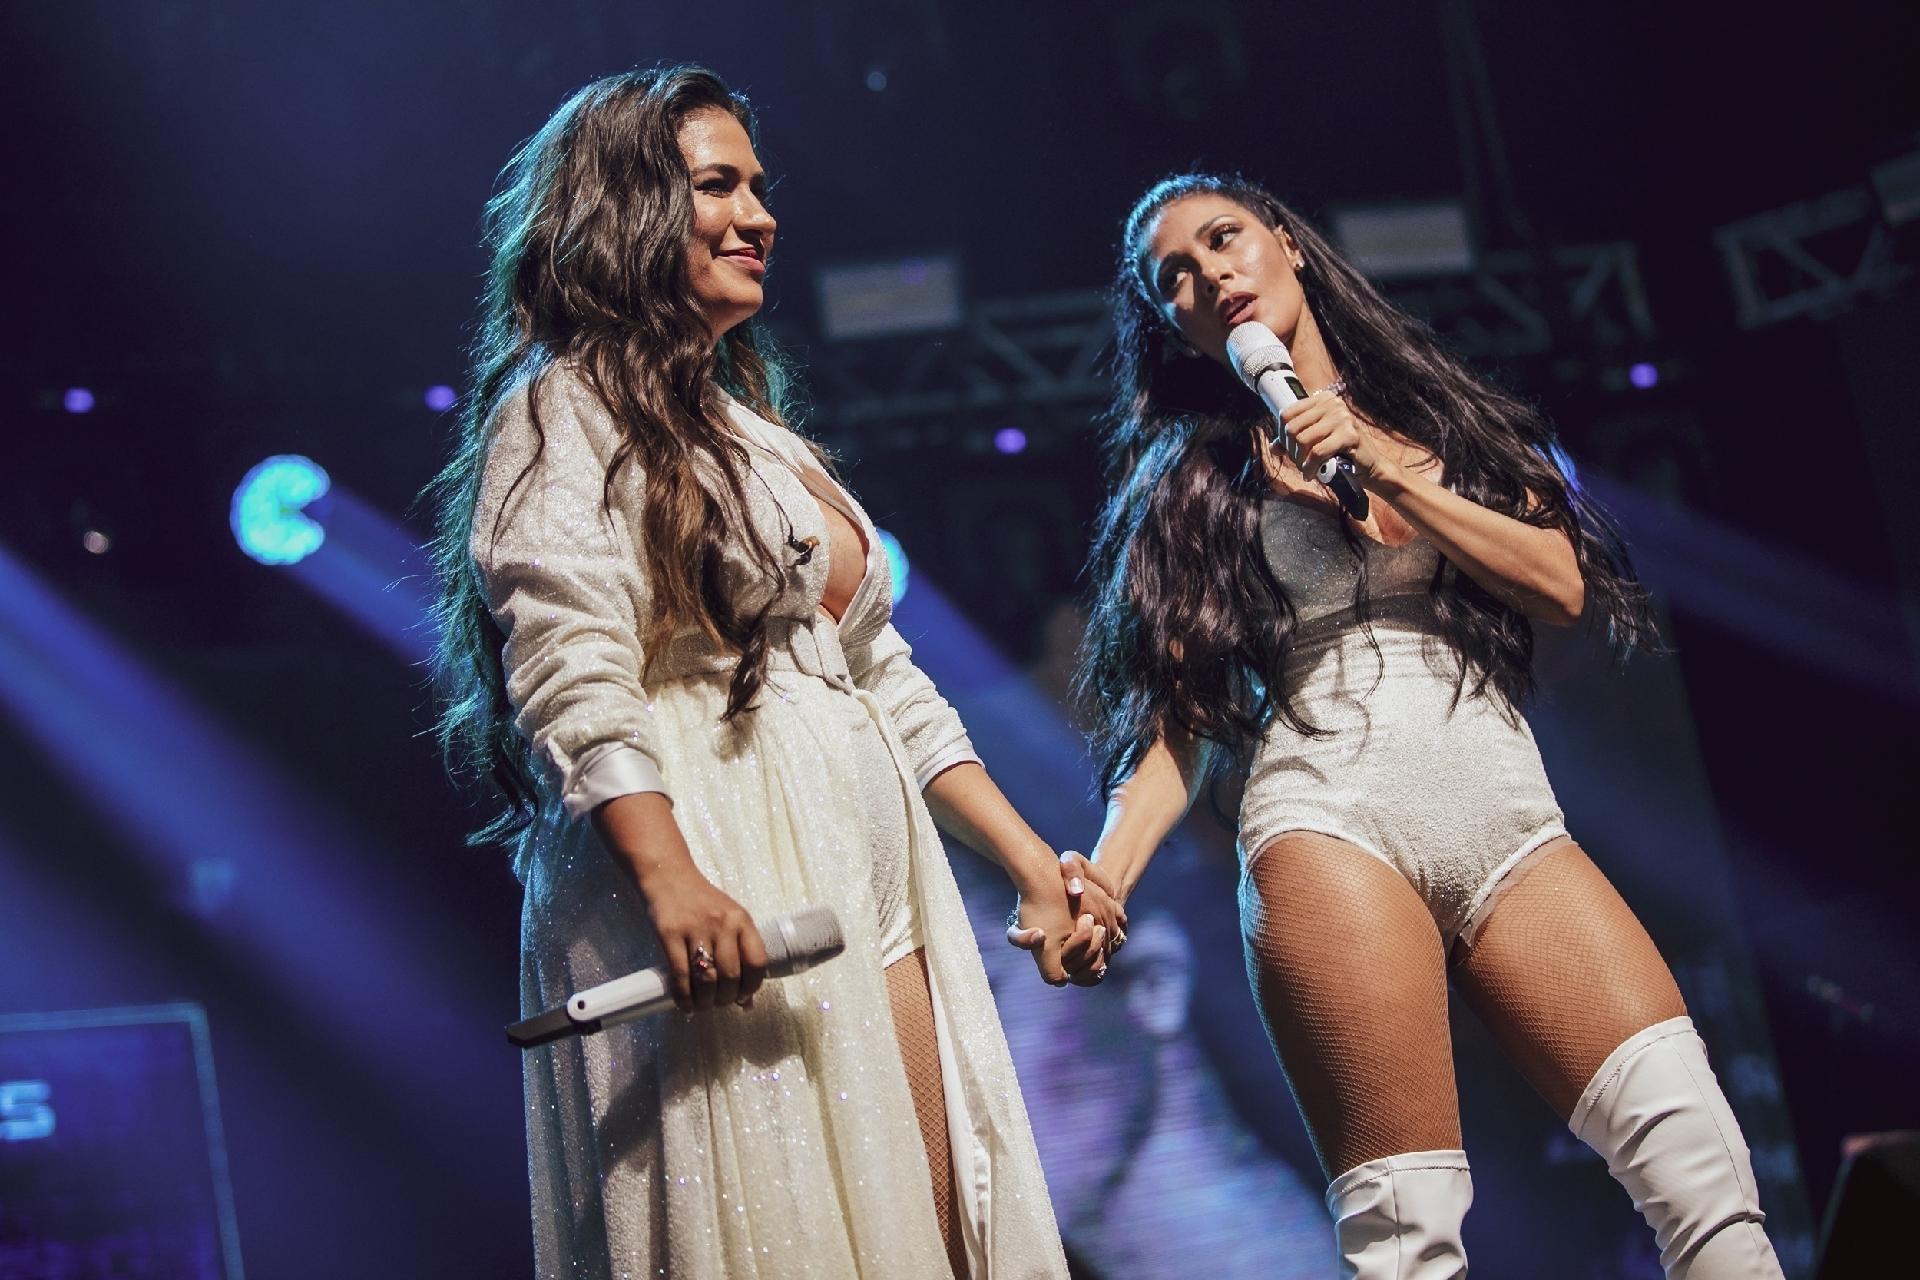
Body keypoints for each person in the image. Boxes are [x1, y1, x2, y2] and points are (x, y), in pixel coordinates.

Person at [1069, 171, 1786, 1279]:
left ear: (1287, 244)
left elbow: (1558, 583)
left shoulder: (1435, 412)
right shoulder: (1192, 489)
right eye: (1176, 278)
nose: (1211, 273)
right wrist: (1108, 874)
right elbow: (1177, 721)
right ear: (1174, 326)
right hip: (1325, 817)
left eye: (1224, 239)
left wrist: (1372, 452)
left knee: (1700, 1162)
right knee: (1406, 1234)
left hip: (1504, 813)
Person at [425, 66, 1076, 1279]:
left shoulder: (753, 432)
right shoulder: (564, 402)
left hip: (869, 868)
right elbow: (569, 661)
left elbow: (878, 671)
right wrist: (671, 877)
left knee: (937, 1235)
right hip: (721, 846)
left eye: (759, 187)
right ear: (629, 210)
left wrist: (1030, 859)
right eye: (718, 185)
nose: (759, 216)